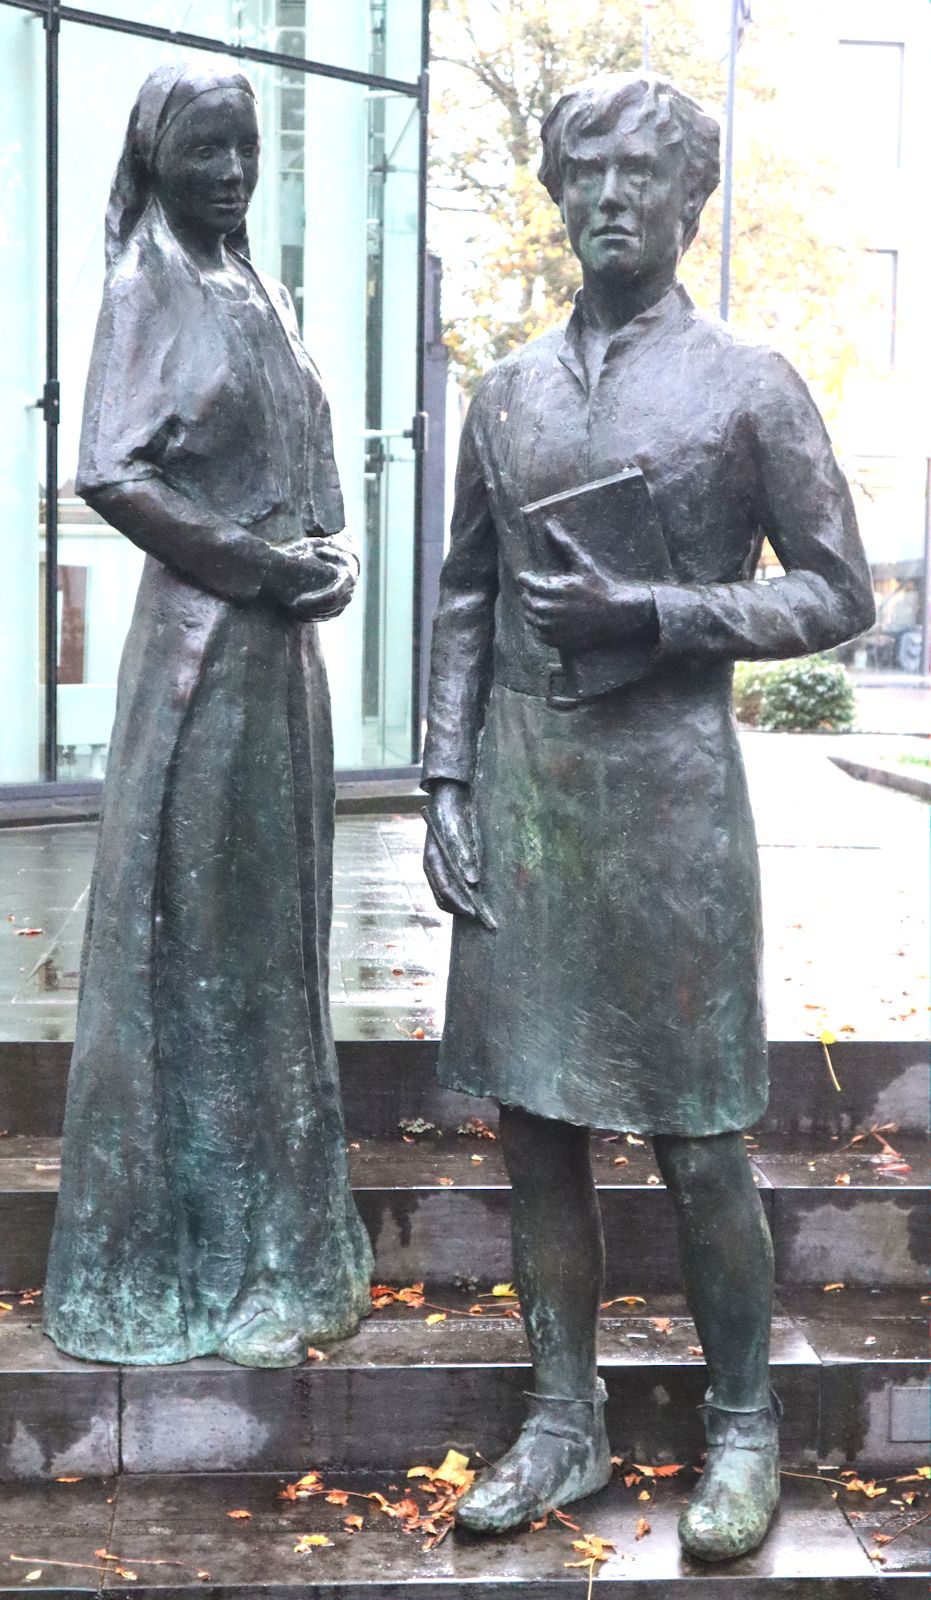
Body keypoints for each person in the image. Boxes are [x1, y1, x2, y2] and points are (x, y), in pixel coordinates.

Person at [421, 73, 874, 1560]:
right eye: (589, 175)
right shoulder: (506, 391)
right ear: (560, 196)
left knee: (699, 1133)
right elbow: (466, 600)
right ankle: (565, 1417)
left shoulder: (751, 381)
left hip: (673, 799)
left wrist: (665, 609)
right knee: (536, 1127)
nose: (612, 198)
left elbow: (835, 590)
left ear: (692, 201)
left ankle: (744, 1426)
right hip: (525, 788)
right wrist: (441, 779)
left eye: (643, 175)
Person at [43, 64, 373, 1369]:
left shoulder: (270, 294)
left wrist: (327, 564)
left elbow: (311, 481)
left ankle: (284, 1249)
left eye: (244, 151)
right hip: (203, 657)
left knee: (275, 947)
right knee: (204, 953)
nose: (231, 173)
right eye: (206, 152)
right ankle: (195, 1256)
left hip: (281, 659)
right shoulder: (144, 288)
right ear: (158, 158)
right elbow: (108, 467)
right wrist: (254, 564)